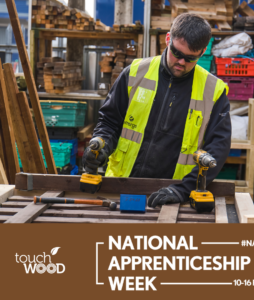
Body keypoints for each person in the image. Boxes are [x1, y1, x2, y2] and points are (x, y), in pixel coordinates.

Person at [82, 13, 231, 211]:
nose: (181, 62)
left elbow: (218, 147)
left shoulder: (214, 92)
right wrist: (102, 144)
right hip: (121, 187)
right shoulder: (134, 73)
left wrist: (183, 190)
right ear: (168, 39)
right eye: (176, 53)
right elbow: (109, 121)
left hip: (175, 197)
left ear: (203, 52)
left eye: (190, 58)